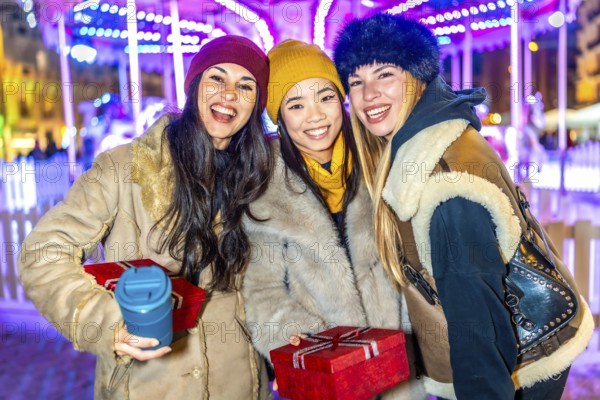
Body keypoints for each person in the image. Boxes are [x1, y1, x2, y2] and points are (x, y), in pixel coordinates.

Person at [333, 13, 594, 400]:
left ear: (416, 77)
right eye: (356, 82)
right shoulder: (431, 141)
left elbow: (478, 332)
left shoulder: (444, 183)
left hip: (520, 365)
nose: (369, 94)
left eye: (384, 74)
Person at [18, 35, 273, 399]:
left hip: (240, 387)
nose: (229, 93)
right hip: (147, 386)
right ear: (194, 86)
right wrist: (107, 324)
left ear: (255, 104)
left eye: (245, 85)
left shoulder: (260, 178)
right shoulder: (125, 168)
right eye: (216, 78)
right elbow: (42, 254)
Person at [241, 39, 425, 399]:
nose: (315, 116)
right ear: (279, 117)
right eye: (296, 104)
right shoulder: (263, 190)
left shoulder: (382, 164)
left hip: (397, 371)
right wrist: (307, 338)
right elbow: (260, 292)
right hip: (325, 376)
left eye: (325, 97)